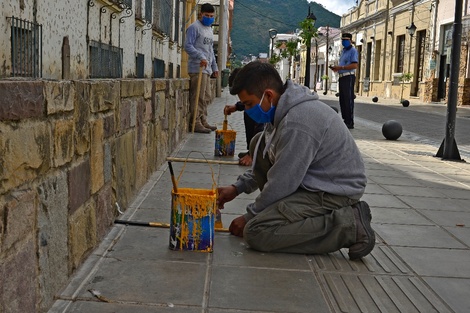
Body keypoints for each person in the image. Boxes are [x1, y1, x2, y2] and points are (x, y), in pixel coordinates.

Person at [216, 61, 375, 260]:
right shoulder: (281, 110)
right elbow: (270, 158)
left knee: (256, 232)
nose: (247, 111)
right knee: (259, 142)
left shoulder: (297, 122)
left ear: (268, 95)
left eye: (249, 104)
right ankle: (287, 214)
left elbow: (283, 180)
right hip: (312, 180)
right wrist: (237, 187)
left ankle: (348, 225)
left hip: (334, 191)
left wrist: (250, 216)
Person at [184, 3, 219, 133]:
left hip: (207, 69)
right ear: (201, 14)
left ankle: (203, 119)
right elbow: (188, 46)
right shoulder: (194, 28)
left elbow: (210, 50)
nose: (209, 18)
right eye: (207, 15)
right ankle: (195, 122)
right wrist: (200, 57)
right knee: (197, 97)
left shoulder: (209, 29)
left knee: (206, 97)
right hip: (197, 68)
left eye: (211, 16)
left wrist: (214, 67)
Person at [224, 68, 264, 166]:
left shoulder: (264, 99)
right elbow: (250, 101)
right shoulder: (256, 92)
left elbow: (261, 129)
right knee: (249, 110)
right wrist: (237, 106)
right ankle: (251, 149)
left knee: (252, 112)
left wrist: (252, 154)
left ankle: (256, 153)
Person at [331, 33, 358, 129]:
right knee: (342, 99)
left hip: (348, 77)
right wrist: (336, 68)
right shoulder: (343, 52)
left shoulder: (353, 51)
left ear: (350, 40)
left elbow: (354, 65)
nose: (344, 41)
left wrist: (341, 67)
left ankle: (350, 121)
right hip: (341, 76)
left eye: (346, 40)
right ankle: (345, 119)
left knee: (348, 99)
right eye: (343, 40)